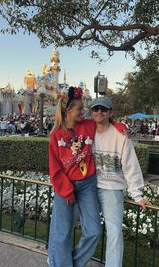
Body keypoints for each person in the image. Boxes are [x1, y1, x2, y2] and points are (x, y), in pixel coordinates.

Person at [91, 97, 150, 267]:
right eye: (96, 109)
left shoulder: (121, 136)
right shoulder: (87, 131)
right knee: (86, 229)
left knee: (115, 233)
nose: (99, 112)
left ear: (110, 113)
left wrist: (137, 194)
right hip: (89, 188)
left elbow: (130, 166)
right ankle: (66, 260)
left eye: (103, 109)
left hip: (112, 189)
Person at [47, 86, 102, 267]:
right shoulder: (56, 136)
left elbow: (105, 122)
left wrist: (120, 126)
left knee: (94, 231)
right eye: (79, 108)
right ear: (68, 110)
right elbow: (55, 170)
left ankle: (71, 264)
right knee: (61, 234)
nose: (83, 111)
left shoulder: (88, 125)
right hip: (65, 188)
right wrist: (67, 191)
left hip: (87, 185)